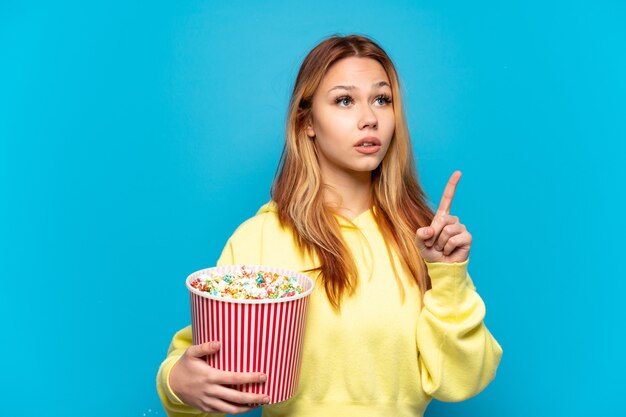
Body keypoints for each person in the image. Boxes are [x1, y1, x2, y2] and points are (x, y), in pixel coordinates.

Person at [156, 34, 502, 417]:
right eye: (344, 100)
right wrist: (176, 382)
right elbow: (202, 364)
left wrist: (448, 274)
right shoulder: (259, 239)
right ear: (307, 122)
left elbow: (462, 381)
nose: (369, 118)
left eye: (381, 99)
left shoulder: (423, 241)